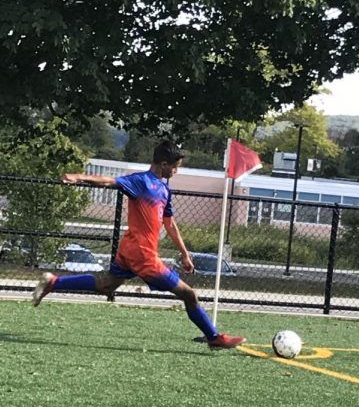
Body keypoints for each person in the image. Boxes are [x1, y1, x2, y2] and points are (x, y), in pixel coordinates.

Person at [32, 140, 245, 349]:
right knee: (189, 294)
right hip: (142, 255)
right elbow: (109, 181)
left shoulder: (164, 189)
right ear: (163, 164)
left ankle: (54, 283)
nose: (175, 172)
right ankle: (214, 336)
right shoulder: (140, 181)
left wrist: (184, 253)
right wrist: (78, 177)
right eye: (174, 167)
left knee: (107, 285)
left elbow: (170, 223)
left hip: (130, 249)